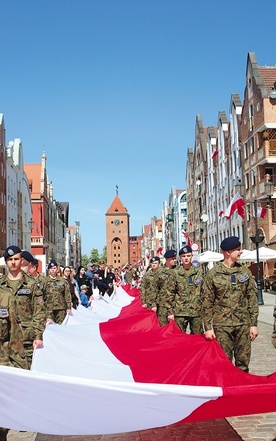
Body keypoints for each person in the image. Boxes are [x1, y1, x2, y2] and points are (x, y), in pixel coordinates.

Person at [202, 236, 259, 372]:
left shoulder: (244, 271)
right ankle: (226, 389)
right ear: (228, 252)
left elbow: (252, 299)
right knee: (223, 362)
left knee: (243, 363)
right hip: (222, 326)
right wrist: (208, 328)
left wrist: (253, 324)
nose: (241, 252)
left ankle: (241, 389)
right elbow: (207, 302)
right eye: (238, 250)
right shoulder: (213, 274)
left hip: (243, 324)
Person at [0, 246, 46, 369]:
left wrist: (38, 336)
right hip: (3, 340)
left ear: (21, 261)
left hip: (26, 339)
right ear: (6, 262)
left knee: (25, 377)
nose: (13, 262)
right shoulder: (0, 285)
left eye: (16, 259)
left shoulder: (32, 284)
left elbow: (39, 312)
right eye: (10, 259)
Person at [174, 246, 204, 334]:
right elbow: (170, 293)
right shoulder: (175, 273)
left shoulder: (199, 271)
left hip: (196, 310)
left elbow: (203, 289)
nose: (186, 258)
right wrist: (170, 312)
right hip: (180, 311)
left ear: (191, 256)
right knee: (179, 338)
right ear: (180, 257)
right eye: (184, 256)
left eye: (188, 256)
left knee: (197, 337)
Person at [153, 250, 178, 325]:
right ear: (167, 259)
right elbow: (154, 288)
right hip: (163, 305)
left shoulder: (178, 270)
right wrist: (153, 304)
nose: (174, 260)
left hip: (176, 305)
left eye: (175, 258)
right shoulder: (159, 271)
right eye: (172, 259)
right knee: (163, 327)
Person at [44, 260, 72, 324]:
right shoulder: (44, 281)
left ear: (57, 270)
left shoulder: (62, 280)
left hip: (61, 308)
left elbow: (67, 294)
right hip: (49, 308)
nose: (53, 270)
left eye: (54, 268)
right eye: (51, 268)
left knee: (61, 326)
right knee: (50, 326)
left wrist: (68, 307)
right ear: (48, 270)